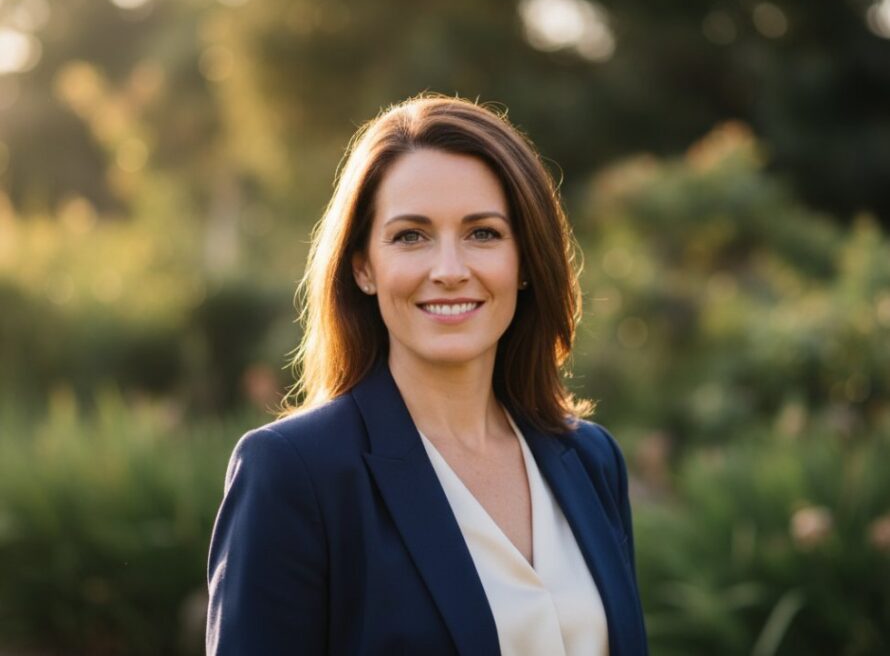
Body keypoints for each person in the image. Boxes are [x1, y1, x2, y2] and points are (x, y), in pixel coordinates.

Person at [206, 94, 648, 655]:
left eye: (483, 233)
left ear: (526, 262)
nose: (449, 271)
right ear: (364, 266)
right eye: (410, 236)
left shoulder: (591, 459)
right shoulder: (295, 474)